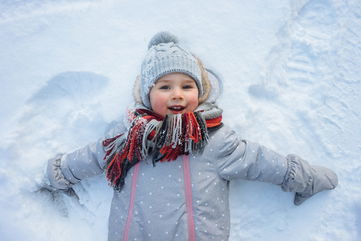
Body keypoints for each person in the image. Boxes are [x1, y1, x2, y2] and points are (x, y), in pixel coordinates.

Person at [42, 31, 338, 241]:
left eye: (187, 86)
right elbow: (94, 156)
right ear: (147, 94)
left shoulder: (216, 140)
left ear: (201, 92)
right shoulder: (129, 138)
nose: (177, 95)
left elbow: (262, 162)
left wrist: (305, 178)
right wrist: (59, 173)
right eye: (165, 86)